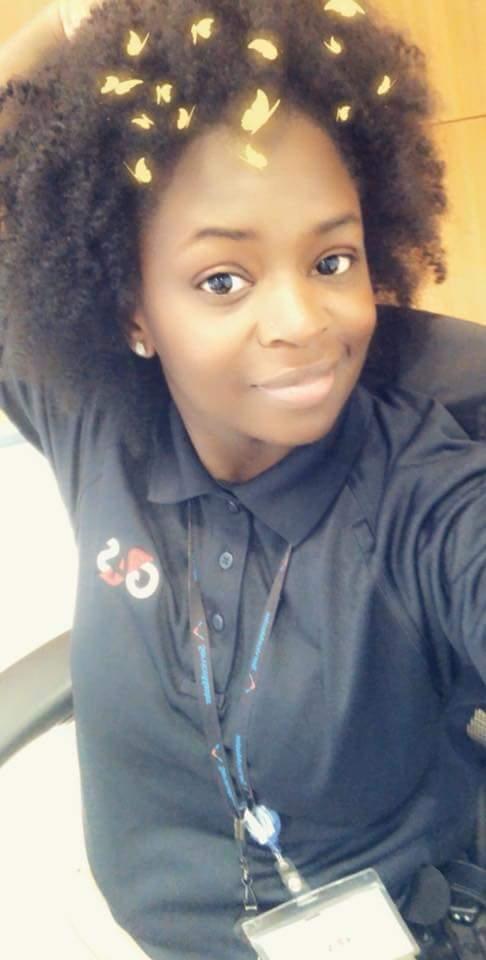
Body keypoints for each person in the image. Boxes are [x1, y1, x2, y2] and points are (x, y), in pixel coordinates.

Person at [0, 1, 485, 957]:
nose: (304, 321)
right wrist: (84, 15)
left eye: (332, 260)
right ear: (134, 312)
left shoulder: (424, 495)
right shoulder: (99, 421)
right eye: (223, 279)